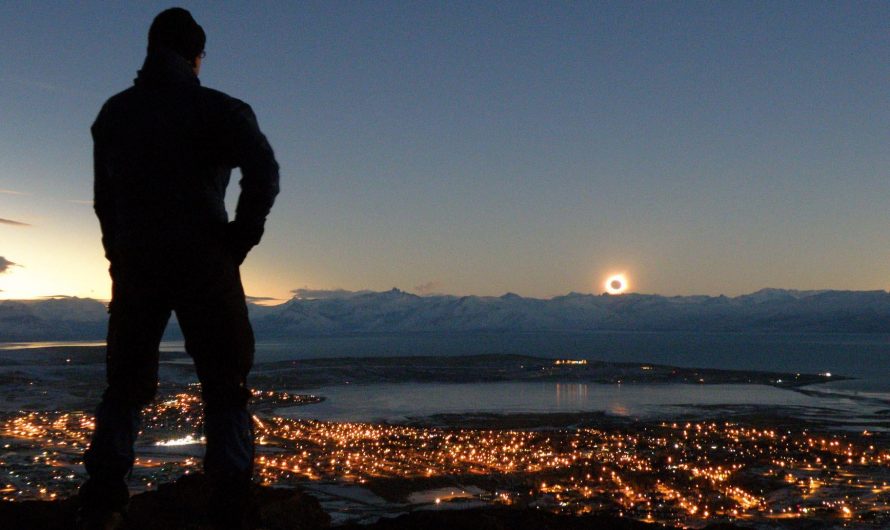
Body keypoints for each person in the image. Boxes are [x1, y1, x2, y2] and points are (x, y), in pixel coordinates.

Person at [78, 7, 279, 529]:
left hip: (139, 258)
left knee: (124, 381)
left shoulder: (115, 113)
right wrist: (240, 236)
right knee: (226, 377)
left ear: (149, 49)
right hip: (205, 256)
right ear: (198, 55)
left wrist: (116, 250)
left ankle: (103, 498)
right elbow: (264, 171)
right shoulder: (220, 109)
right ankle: (231, 498)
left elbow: (104, 197)